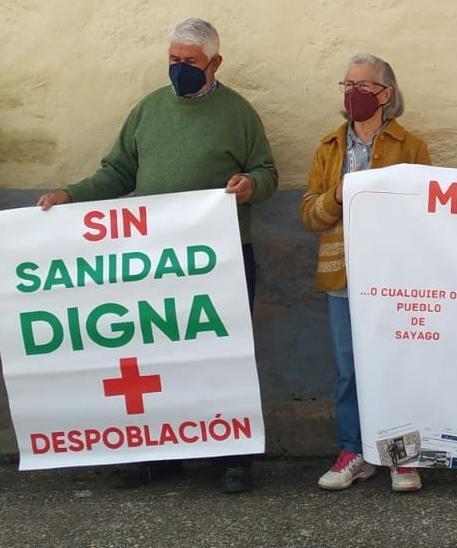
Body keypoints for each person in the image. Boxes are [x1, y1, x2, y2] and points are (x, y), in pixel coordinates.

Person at [36, 17, 278, 494]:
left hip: (221, 258)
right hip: (157, 261)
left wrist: (251, 186)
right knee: (158, 355)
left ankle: (232, 458)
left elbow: (266, 172)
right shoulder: (148, 111)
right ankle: (159, 456)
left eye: (190, 62)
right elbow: (117, 173)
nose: (179, 69)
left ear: (215, 63)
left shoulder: (239, 114)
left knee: (222, 355)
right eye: (173, 60)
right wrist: (71, 195)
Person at [300, 53, 431, 493]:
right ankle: (353, 451)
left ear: (385, 94)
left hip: (392, 278)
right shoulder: (328, 148)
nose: (353, 93)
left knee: (396, 364)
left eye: (364, 86)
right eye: (347, 85)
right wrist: (336, 196)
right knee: (349, 370)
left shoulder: (410, 146)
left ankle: (401, 455)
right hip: (343, 278)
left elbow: (425, 210)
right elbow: (309, 215)